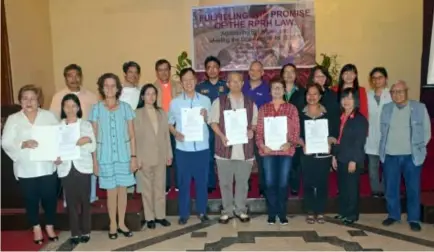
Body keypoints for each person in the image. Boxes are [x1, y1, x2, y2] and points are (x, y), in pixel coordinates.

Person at [2, 85, 59, 244]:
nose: (29, 102)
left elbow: (58, 138)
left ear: (39, 101)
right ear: (20, 101)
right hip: (25, 167)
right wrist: (23, 143)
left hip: (47, 166)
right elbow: (5, 142)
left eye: (32, 98)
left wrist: (58, 155)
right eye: (25, 98)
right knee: (30, 199)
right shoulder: (14, 119)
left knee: (50, 198)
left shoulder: (49, 116)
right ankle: (36, 227)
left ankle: (49, 225)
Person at [89, 73, 137, 239]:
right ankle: (112, 224)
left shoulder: (126, 108)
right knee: (111, 192)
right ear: (102, 88)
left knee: (123, 191)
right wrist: (94, 161)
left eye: (113, 86)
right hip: (105, 157)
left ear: (118, 88)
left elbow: (132, 135)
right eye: (106, 86)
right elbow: (93, 137)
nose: (109, 89)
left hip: (124, 156)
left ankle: (122, 222)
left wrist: (134, 157)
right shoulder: (95, 109)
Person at [379, 80, 431, 232]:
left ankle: (413, 218)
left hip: (411, 156)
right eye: (394, 92)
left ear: (407, 91)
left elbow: (427, 132)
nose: (397, 95)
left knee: (413, 188)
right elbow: (383, 131)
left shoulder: (419, 108)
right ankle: (393, 215)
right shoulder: (387, 108)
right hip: (390, 155)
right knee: (391, 188)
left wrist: (419, 148)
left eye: (400, 91)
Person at [209, 72, 257, 224]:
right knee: (225, 183)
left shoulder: (250, 103)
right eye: (232, 81)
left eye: (238, 81)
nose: (235, 84)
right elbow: (213, 122)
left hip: (245, 150)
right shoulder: (219, 102)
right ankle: (227, 210)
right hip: (225, 149)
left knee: (243, 183)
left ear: (243, 84)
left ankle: (241, 209)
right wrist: (222, 136)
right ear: (227, 84)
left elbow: (255, 123)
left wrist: (252, 131)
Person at [49, 64, 99, 204]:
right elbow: (54, 121)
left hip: (87, 141)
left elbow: (96, 119)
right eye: (70, 76)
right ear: (65, 78)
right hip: (67, 144)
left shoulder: (91, 96)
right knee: (69, 176)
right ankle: (69, 202)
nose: (74, 79)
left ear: (81, 77)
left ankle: (91, 199)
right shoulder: (58, 97)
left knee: (88, 174)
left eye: (76, 75)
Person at [168, 68, 211, 225]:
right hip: (183, 149)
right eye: (185, 80)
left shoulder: (206, 101)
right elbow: (169, 123)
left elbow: (211, 121)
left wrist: (206, 117)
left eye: (191, 79)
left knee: (202, 182)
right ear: (181, 83)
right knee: (183, 182)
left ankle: (202, 211)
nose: (188, 83)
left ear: (196, 80)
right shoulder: (175, 102)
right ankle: (184, 214)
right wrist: (175, 133)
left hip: (202, 148)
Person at [256, 77, 300, 225]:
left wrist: (290, 143)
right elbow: (259, 132)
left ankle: (282, 213)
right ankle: (271, 212)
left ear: (284, 90)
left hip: (285, 152)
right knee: (269, 183)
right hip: (268, 152)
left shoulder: (291, 109)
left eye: (279, 87)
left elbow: (296, 131)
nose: (276, 90)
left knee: (282, 183)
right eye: (274, 87)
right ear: (270, 91)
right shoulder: (263, 109)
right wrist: (262, 146)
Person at [56, 94, 96, 245]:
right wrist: (55, 158)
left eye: (73, 106)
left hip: (83, 167)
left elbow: (93, 147)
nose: (70, 109)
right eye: (67, 106)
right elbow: (54, 148)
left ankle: (86, 230)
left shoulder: (85, 125)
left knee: (85, 201)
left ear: (78, 108)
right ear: (63, 108)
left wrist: (86, 141)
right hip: (65, 167)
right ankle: (74, 232)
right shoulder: (58, 127)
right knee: (70, 202)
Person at [135, 84, 173, 229]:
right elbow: (135, 138)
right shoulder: (137, 113)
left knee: (159, 187)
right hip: (144, 157)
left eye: (153, 94)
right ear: (142, 97)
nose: (151, 97)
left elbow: (166, 136)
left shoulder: (162, 112)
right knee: (147, 189)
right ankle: (150, 217)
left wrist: (169, 154)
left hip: (161, 155)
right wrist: (136, 157)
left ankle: (160, 216)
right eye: (148, 94)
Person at [299, 83, 338, 224]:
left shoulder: (328, 113)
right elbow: (296, 134)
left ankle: (320, 211)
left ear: (320, 96)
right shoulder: (300, 114)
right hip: (307, 154)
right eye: (309, 94)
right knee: (308, 182)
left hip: (323, 154)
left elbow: (334, 133)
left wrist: (329, 142)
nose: (312, 97)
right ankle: (310, 211)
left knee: (322, 183)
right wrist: (302, 143)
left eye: (315, 94)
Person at [332, 88, 369, 225]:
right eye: (344, 98)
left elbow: (359, 142)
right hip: (341, 157)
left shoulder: (359, 120)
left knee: (352, 188)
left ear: (356, 101)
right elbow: (338, 139)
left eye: (350, 98)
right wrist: (334, 156)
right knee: (342, 187)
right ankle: (343, 212)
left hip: (352, 159)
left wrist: (354, 160)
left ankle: (352, 214)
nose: (346, 101)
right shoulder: (341, 117)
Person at [196, 56, 229, 194]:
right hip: (206, 127)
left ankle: (226, 183)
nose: (212, 70)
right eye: (209, 67)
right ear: (205, 70)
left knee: (225, 156)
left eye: (215, 67)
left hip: (224, 127)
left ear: (219, 69)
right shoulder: (200, 87)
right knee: (208, 156)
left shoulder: (226, 86)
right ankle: (210, 183)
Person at [153, 59, 183, 194]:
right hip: (159, 126)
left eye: (166, 69)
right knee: (162, 155)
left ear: (170, 71)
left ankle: (177, 182)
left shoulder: (179, 86)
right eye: (160, 70)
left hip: (176, 125)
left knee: (177, 154)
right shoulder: (151, 88)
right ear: (157, 72)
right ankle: (164, 184)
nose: (164, 72)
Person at [242, 60, 272, 195]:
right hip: (243, 131)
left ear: (262, 72)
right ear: (248, 72)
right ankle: (245, 185)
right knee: (244, 159)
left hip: (262, 130)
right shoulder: (242, 87)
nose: (254, 73)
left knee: (262, 160)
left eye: (257, 70)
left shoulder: (267, 90)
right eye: (251, 70)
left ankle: (263, 187)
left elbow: (270, 110)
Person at [365, 67, 392, 198]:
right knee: (373, 168)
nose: (377, 80)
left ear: (385, 79)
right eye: (374, 78)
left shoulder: (392, 95)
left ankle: (386, 189)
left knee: (387, 167)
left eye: (380, 77)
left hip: (388, 137)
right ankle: (376, 191)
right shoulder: (367, 95)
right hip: (371, 136)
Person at [281, 63, 305, 196]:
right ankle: (284, 186)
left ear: (296, 75)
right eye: (286, 71)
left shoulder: (302, 92)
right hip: (279, 132)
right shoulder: (277, 90)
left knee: (295, 161)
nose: (289, 74)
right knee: (283, 160)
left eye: (292, 72)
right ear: (282, 75)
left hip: (296, 130)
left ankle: (295, 186)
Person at [119, 61, 142, 197]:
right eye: (130, 72)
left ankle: (135, 189)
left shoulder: (140, 92)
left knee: (136, 159)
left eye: (136, 73)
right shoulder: (118, 92)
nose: (133, 75)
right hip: (122, 132)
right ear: (125, 74)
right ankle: (125, 191)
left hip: (137, 130)